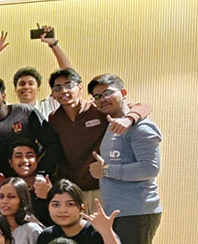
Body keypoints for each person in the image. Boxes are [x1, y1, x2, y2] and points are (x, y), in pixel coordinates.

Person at [87, 73, 162, 244]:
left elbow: (150, 168)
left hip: (138, 211)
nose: (102, 99)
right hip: (119, 213)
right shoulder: (112, 125)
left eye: (107, 92)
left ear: (124, 92)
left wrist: (107, 170)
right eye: (97, 96)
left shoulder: (141, 127)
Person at [46, 68, 150, 211]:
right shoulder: (54, 119)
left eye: (69, 85)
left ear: (80, 88)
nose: (64, 91)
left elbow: (143, 107)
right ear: (52, 93)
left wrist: (129, 119)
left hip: (102, 187)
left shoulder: (98, 109)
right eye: (58, 88)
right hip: (73, 190)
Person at [0, 76, 61, 179]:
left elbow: (51, 143)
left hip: (37, 176)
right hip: (6, 181)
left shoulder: (25, 112)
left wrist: (42, 173)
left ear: (4, 96)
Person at [7, 137, 56, 226]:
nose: (24, 160)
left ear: (37, 160)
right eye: (18, 156)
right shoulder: (8, 188)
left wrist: (50, 196)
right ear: (11, 163)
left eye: (29, 156)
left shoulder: (50, 182)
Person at [0, 177, 45, 244]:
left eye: (11, 197)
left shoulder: (31, 230)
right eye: (1, 197)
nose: (5, 201)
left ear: (22, 200)